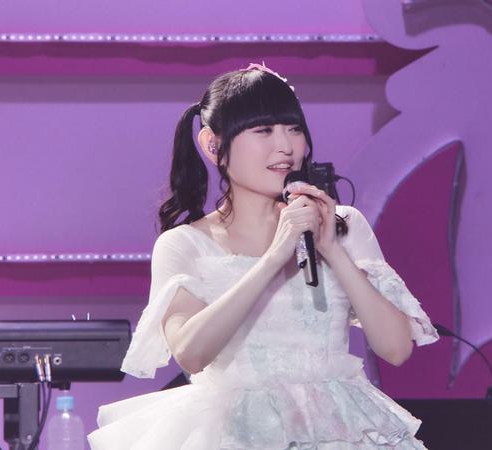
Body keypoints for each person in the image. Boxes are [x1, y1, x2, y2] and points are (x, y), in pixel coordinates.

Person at [87, 62, 439, 449]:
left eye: (294, 128)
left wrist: (332, 250)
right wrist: (274, 258)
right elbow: (190, 353)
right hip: (235, 433)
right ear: (212, 144)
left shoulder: (343, 224)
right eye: (263, 131)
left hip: (341, 428)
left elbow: (396, 348)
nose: (285, 146)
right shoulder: (185, 244)